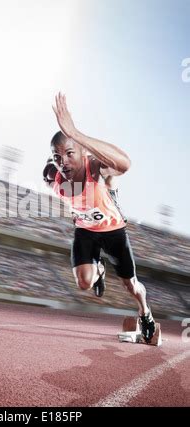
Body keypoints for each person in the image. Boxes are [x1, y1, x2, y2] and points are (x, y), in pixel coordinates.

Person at [43, 92, 156, 343]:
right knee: (84, 283)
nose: (63, 162)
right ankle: (99, 270)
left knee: (132, 286)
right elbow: (58, 181)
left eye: (70, 153)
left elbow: (124, 164)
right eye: (57, 157)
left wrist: (75, 132)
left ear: (83, 152)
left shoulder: (95, 167)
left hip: (113, 231)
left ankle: (145, 312)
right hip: (85, 231)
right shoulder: (52, 175)